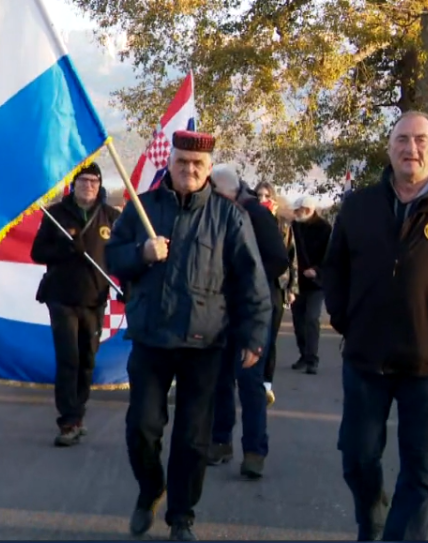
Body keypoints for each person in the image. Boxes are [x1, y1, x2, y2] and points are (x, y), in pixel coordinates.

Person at [322, 111, 428, 541]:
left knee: (420, 472)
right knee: (357, 459)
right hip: (365, 359)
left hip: (426, 362)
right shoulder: (359, 205)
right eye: (402, 139)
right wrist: (344, 318)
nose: (410, 148)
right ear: (389, 147)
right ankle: (371, 515)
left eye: (420, 140)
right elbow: (335, 268)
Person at [105, 131, 272, 541]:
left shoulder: (229, 217)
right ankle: (150, 490)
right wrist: (141, 253)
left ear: (208, 168)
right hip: (150, 338)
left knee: (193, 440)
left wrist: (254, 336)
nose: (189, 170)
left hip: (205, 342)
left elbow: (251, 281)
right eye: (182, 162)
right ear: (171, 163)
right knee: (142, 428)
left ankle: (182, 516)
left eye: (197, 165)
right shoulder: (143, 208)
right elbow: (113, 256)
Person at [30, 164, 121, 447]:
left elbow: (121, 257)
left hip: (94, 298)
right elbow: (38, 252)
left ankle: (79, 412)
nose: (89, 185)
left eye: (95, 181)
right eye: (84, 180)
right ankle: (67, 420)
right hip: (62, 298)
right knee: (69, 358)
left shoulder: (111, 217)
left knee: (87, 360)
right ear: (74, 183)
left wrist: (128, 287)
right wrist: (66, 248)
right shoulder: (56, 215)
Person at [207, 166, 289, 479]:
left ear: (228, 192)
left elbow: (278, 259)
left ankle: (254, 450)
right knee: (220, 379)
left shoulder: (256, 214)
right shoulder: (213, 213)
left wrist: (248, 279)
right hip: (220, 309)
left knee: (250, 381)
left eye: (215, 193)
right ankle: (220, 441)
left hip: (253, 310)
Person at [254, 180, 298, 405]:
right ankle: (248, 381)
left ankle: (266, 384)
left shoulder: (282, 224)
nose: (262, 199)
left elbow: (292, 257)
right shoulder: (247, 219)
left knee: (270, 336)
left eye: (265, 195)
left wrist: (292, 287)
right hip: (252, 284)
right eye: (258, 195)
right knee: (252, 334)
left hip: (276, 285)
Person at [290, 195, 332, 374]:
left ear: (308, 210)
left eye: (299, 210)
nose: (296, 214)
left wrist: (317, 270)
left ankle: (312, 359)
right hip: (297, 281)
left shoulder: (324, 229)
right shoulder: (293, 227)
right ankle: (303, 355)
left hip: (316, 283)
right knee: (298, 319)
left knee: (311, 318)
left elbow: (331, 255)